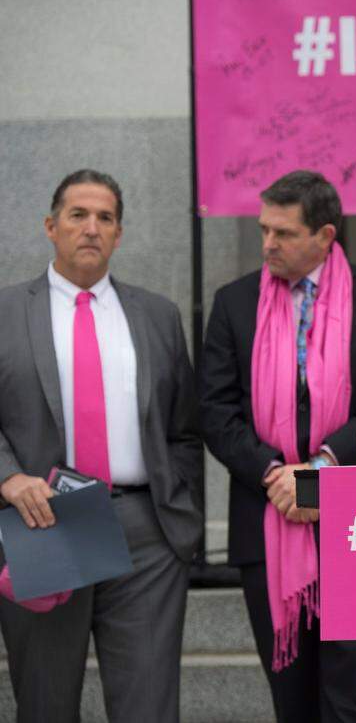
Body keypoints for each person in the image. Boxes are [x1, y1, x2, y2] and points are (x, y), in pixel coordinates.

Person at [0, 169, 203, 722]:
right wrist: (7, 476)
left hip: (145, 534)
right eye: (78, 215)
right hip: (46, 526)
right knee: (45, 704)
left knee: (148, 706)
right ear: (50, 226)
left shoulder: (157, 315)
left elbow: (183, 427)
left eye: (105, 218)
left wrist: (178, 520)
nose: (91, 228)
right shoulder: (7, 311)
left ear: (119, 234)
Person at [198, 170, 356, 722]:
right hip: (267, 518)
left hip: (353, 519)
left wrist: (320, 468)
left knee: (355, 691)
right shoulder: (234, 303)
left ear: (326, 235)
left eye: (283, 233)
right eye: (264, 229)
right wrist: (274, 474)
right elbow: (215, 411)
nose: (267, 244)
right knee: (291, 695)